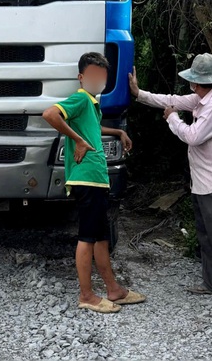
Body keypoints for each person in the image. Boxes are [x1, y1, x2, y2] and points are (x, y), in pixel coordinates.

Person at [129, 54, 212, 306]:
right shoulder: (204, 97)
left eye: (193, 82)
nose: (191, 87)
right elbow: (172, 100)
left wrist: (172, 118)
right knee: (207, 234)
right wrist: (140, 94)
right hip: (205, 181)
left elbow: (193, 136)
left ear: (196, 83)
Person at [43, 52, 145, 313]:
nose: (99, 80)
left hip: (97, 179)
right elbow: (50, 114)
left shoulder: (91, 104)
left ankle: (114, 290)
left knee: (101, 237)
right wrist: (77, 141)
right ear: (81, 77)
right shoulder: (80, 98)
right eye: (93, 75)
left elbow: (94, 128)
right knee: (88, 237)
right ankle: (86, 295)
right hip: (86, 178)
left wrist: (119, 131)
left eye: (103, 76)